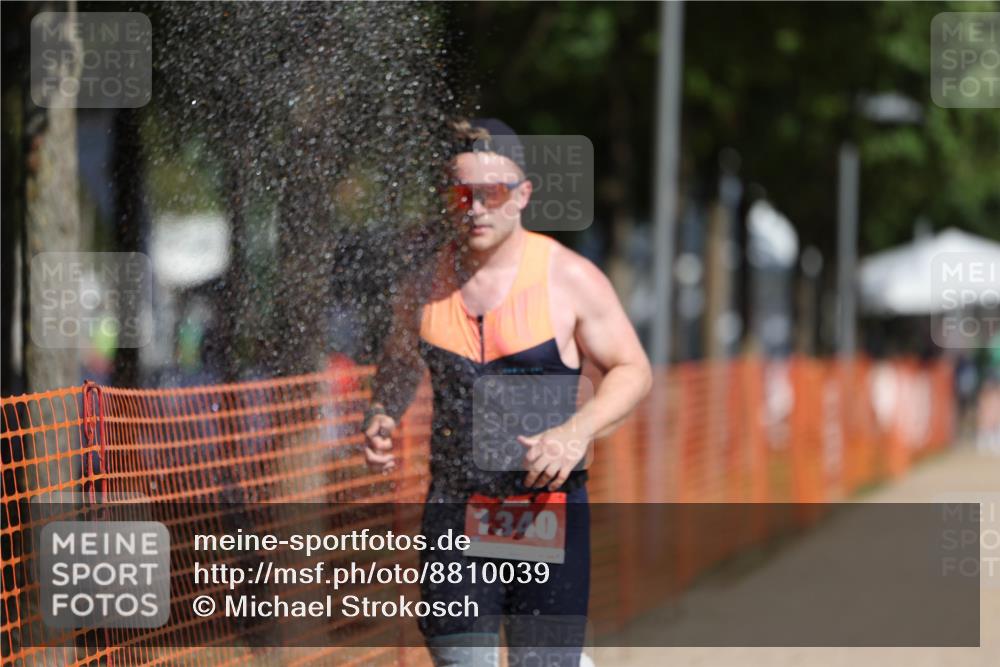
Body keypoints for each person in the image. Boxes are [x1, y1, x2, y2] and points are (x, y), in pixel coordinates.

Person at [363, 119, 651, 666]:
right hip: (454, 507)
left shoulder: (567, 277)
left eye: (491, 194)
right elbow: (399, 364)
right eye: (460, 193)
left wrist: (574, 432)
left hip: (545, 508)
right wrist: (383, 411)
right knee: (461, 660)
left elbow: (633, 369)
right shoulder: (422, 286)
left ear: (522, 196)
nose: (475, 207)